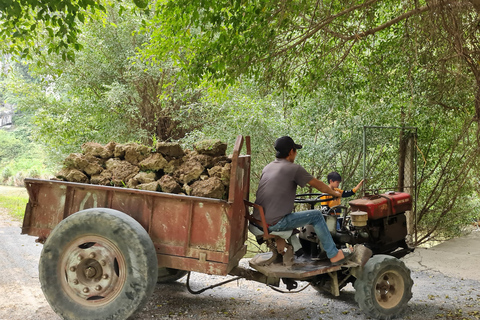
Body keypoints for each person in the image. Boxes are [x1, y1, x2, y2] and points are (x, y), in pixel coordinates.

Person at [252, 136, 352, 265]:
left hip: (257, 221)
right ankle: (334, 254)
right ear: (291, 152)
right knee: (316, 215)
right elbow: (319, 185)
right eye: (295, 150)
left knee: (293, 215)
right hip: (273, 223)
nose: (296, 153)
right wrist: (334, 193)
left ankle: (300, 251)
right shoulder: (294, 168)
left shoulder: (268, 167)